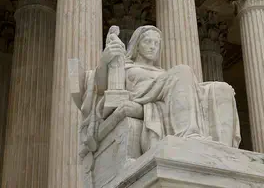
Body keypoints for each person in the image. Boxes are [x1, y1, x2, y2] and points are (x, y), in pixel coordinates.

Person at [85, 25, 240, 154]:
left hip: (164, 100)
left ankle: (224, 151)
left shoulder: (164, 74)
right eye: (147, 42)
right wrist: (105, 60)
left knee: (221, 88)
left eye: (156, 43)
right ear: (137, 45)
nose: (153, 46)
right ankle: (187, 136)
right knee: (182, 70)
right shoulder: (124, 67)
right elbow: (100, 88)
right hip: (142, 96)